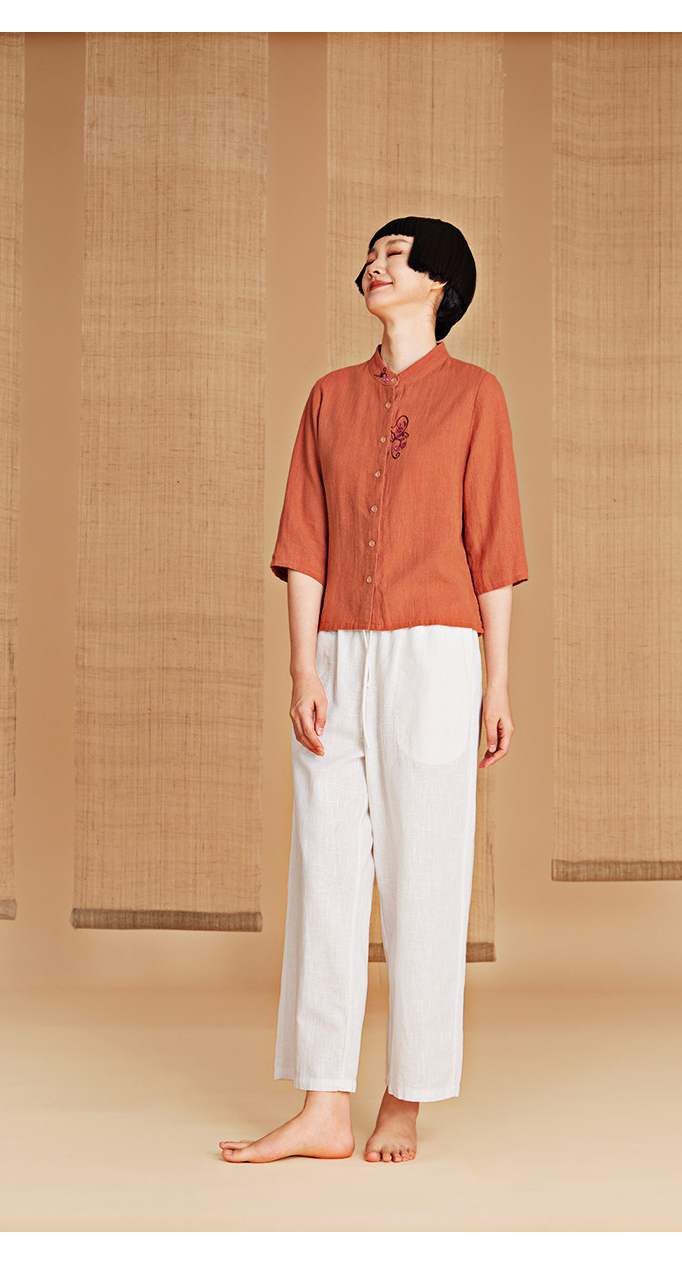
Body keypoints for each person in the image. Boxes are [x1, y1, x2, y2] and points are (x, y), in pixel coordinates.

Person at [220, 216, 528, 1165]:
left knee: (424, 868)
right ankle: (323, 1103)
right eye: (371, 255)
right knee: (325, 868)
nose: (374, 265)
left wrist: (497, 683)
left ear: (440, 282)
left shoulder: (476, 397)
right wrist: (303, 664)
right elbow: (304, 539)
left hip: (436, 653)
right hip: (338, 651)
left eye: (396, 255)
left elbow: (493, 547)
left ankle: (406, 1095)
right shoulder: (329, 398)